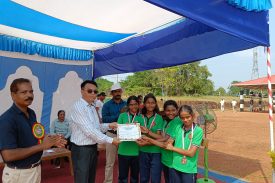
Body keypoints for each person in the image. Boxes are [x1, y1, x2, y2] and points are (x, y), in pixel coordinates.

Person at [0, 78, 66, 183]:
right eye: (24, 92)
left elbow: (35, 134)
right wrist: (42, 146)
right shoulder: (6, 120)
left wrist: (52, 140)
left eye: (31, 91)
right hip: (18, 175)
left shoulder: (31, 113)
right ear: (13, 95)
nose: (29, 95)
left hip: (35, 170)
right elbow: (8, 155)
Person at [70, 80, 120, 183]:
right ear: (82, 91)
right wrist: (111, 140)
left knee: (90, 178)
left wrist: (110, 125)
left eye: (95, 91)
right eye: (90, 91)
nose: (93, 93)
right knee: (82, 179)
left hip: (92, 147)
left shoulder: (92, 106)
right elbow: (90, 131)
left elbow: (97, 127)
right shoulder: (78, 107)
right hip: (81, 150)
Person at [142, 100, 182, 183]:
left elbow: (166, 139)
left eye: (173, 110)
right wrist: (149, 133)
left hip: (173, 160)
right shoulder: (165, 121)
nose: (170, 113)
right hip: (165, 158)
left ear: (177, 110)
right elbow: (162, 137)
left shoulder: (177, 121)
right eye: (168, 110)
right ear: (164, 111)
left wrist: (148, 141)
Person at [165, 105, 203, 183]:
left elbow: (191, 153)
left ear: (193, 116)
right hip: (175, 166)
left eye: (188, 117)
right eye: (182, 118)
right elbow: (169, 142)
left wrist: (172, 148)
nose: (185, 120)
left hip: (189, 169)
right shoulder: (178, 128)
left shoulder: (198, 131)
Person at [136, 93, 164, 183]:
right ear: (144, 104)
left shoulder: (159, 118)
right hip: (143, 151)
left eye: (152, 103)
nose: (150, 105)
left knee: (155, 179)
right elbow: (135, 134)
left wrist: (148, 132)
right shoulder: (139, 117)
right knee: (143, 178)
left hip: (156, 152)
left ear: (155, 104)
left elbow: (160, 137)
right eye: (148, 102)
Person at [102, 83, 127, 183]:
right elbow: (105, 119)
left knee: (123, 161)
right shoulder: (106, 105)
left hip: (124, 135)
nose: (117, 93)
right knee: (110, 162)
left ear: (121, 92)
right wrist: (119, 114)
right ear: (112, 93)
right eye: (115, 91)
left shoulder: (126, 104)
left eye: (119, 91)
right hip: (111, 135)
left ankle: (122, 180)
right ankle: (108, 181)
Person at [117, 96, 142, 183]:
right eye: (131, 105)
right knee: (122, 177)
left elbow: (143, 133)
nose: (133, 106)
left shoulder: (141, 117)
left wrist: (137, 129)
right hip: (123, 151)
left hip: (136, 151)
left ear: (138, 105)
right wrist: (125, 128)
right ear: (128, 105)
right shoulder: (122, 116)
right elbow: (118, 131)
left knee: (134, 177)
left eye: (135, 104)